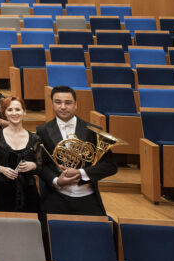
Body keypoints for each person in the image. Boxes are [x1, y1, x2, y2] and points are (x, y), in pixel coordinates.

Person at [37, 86, 117, 216]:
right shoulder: (43, 131)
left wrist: (81, 173)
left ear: (76, 105)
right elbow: (40, 165)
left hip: (88, 198)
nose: (63, 107)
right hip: (56, 198)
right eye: (58, 102)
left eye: (68, 102)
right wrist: (57, 181)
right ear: (52, 104)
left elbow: (111, 166)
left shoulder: (93, 130)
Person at [0, 96, 42, 212]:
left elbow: (40, 165)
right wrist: (1, 169)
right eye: (10, 110)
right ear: (4, 114)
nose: (14, 113)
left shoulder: (35, 138)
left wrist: (33, 165)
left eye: (18, 109)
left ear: (24, 112)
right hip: (2, 191)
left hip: (29, 192)